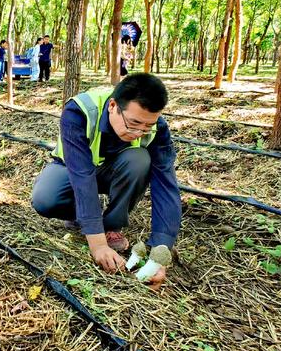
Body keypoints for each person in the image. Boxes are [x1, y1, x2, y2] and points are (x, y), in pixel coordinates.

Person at [31, 73, 181, 289]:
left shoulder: (157, 128)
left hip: (118, 170)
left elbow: (166, 186)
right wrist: (97, 244)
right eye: (134, 123)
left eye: (147, 127)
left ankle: (112, 225)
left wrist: (160, 252)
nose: (139, 133)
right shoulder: (79, 111)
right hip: (72, 170)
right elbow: (82, 177)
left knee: (139, 159)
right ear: (113, 106)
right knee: (45, 198)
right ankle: (80, 217)